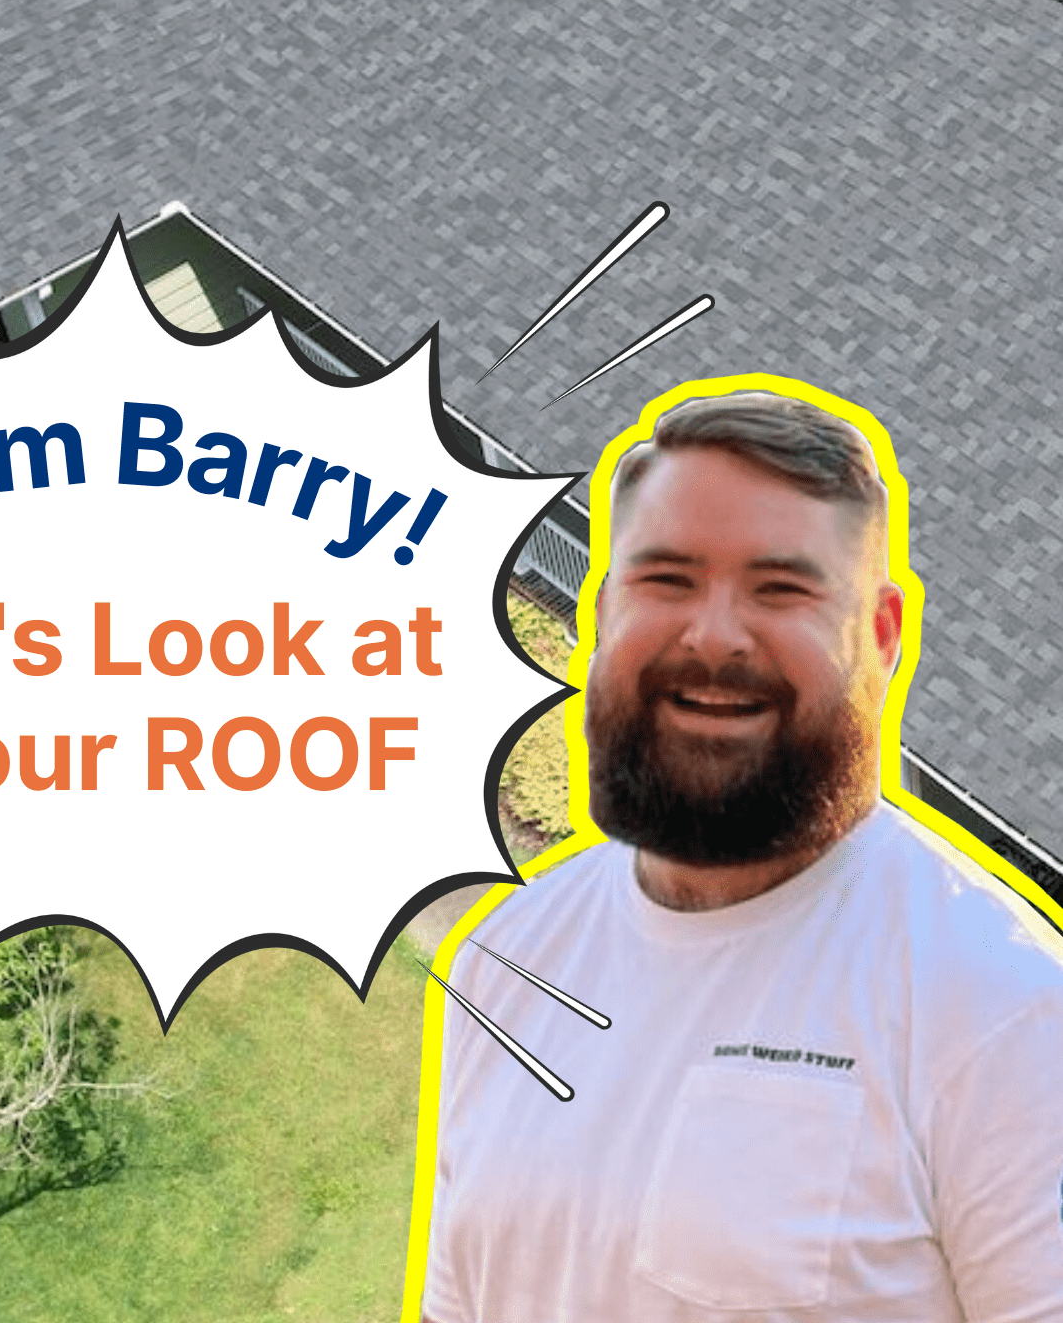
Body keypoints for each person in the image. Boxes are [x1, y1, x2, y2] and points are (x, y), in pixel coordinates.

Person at [422, 389, 1063, 1323]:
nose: (714, 634)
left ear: (880, 639)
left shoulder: (1002, 1012)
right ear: (604, 612)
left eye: (781, 588)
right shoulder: (508, 960)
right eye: (668, 579)